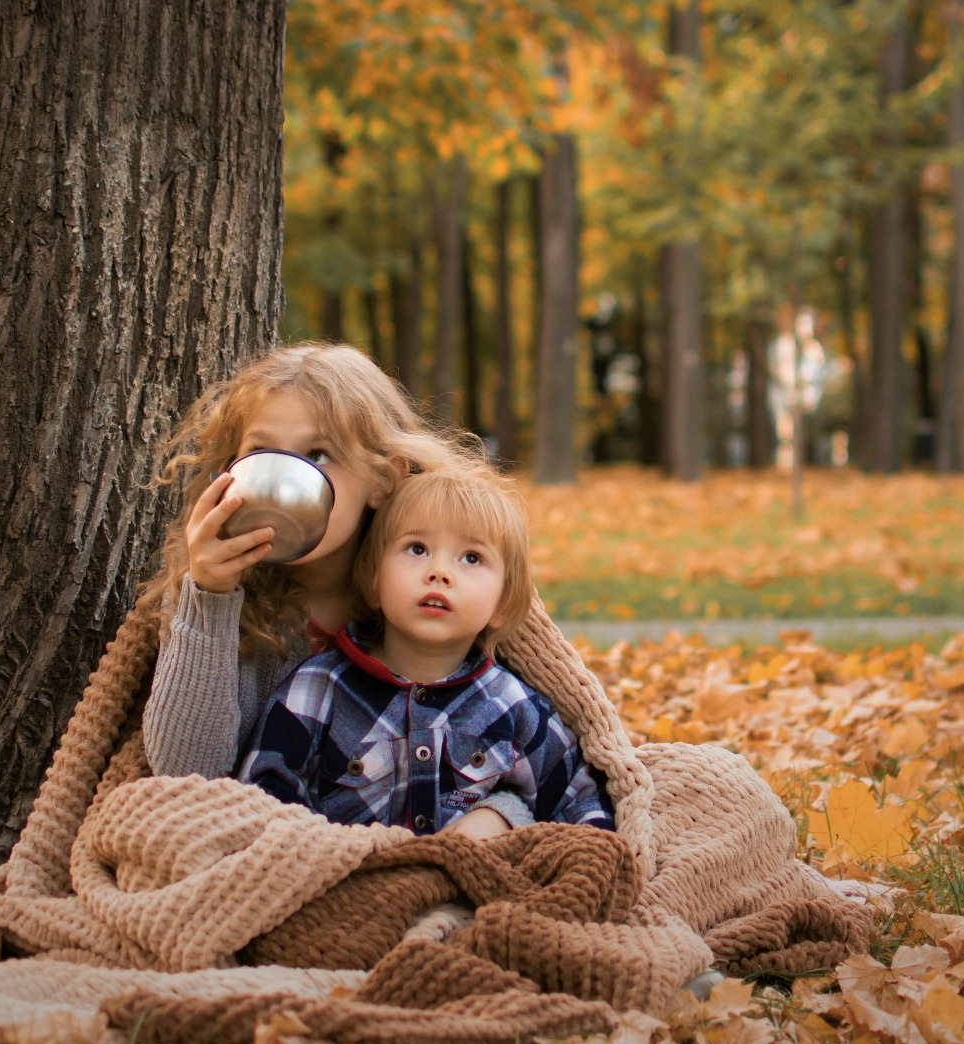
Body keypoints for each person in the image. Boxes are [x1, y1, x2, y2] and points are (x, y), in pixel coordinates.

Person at [139, 342, 474, 779]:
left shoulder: (436, 583)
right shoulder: (215, 598)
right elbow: (186, 771)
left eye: (318, 455)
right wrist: (209, 597)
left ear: (384, 480)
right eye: (261, 452)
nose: (284, 479)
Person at [233, 466, 610, 838]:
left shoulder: (511, 707)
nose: (440, 572)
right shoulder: (318, 689)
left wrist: (521, 823)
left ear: (502, 604)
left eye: (471, 558)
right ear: (374, 580)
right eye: (417, 549)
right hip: (348, 882)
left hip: (465, 892)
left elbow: (579, 803)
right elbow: (262, 793)